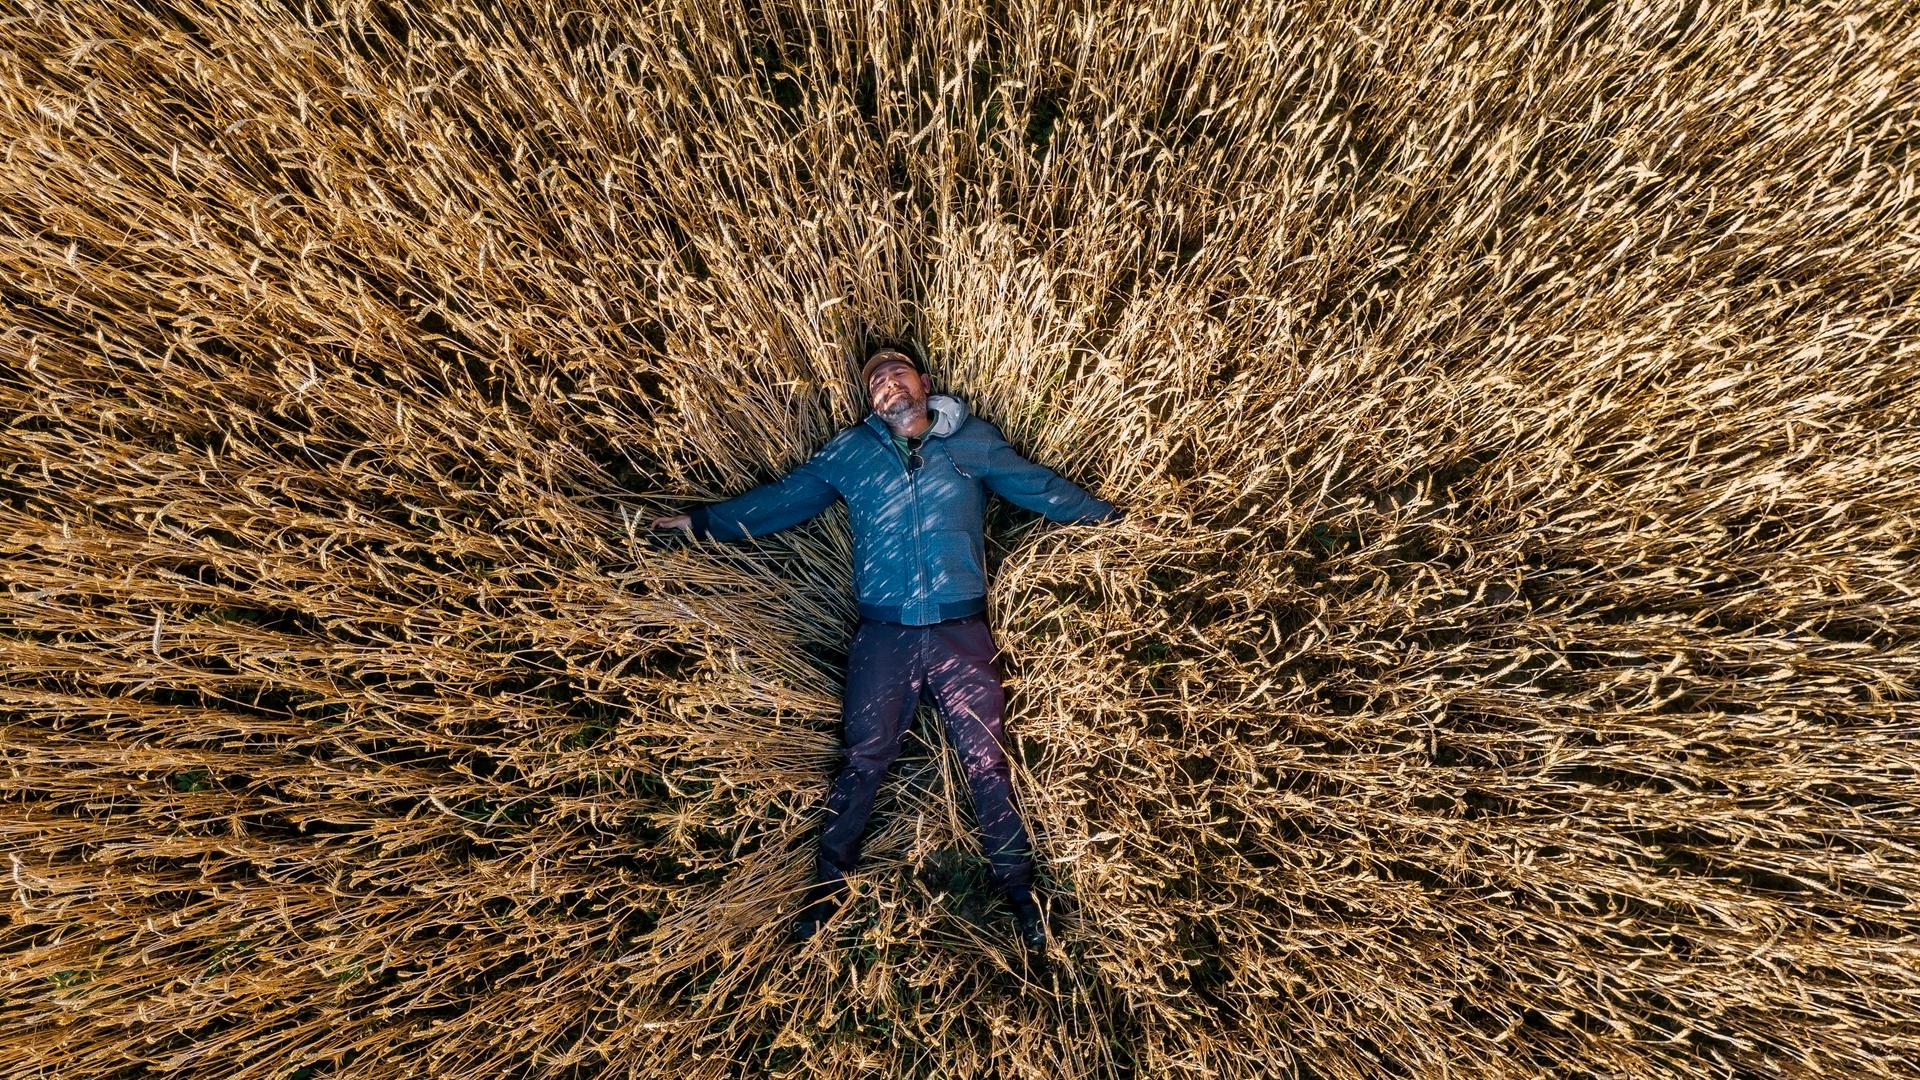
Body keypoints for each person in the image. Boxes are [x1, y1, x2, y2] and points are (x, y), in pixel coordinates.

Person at [651, 343, 1123, 950]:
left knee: (987, 762)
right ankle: (825, 893)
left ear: (924, 383)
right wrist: (704, 522)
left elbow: (1040, 488)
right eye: (875, 382)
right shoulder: (853, 453)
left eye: (897, 372)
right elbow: (783, 500)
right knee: (863, 758)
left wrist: (1111, 519)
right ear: (870, 403)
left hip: (961, 633)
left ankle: (1021, 895)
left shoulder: (972, 441)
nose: (887, 385)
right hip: (884, 638)